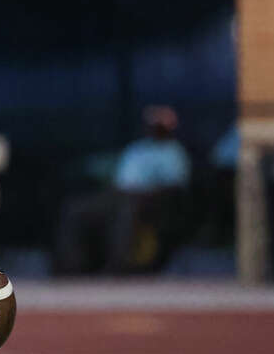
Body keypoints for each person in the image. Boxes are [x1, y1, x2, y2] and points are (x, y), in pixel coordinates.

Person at [54, 105, 191, 274]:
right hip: (117, 194)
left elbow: (175, 187)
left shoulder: (174, 152)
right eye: (153, 124)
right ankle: (71, 267)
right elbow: (118, 178)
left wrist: (141, 194)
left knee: (127, 209)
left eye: (160, 125)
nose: (155, 128)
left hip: (149, 200)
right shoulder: (136, 149)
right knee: (74, 208)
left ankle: (119, 267)